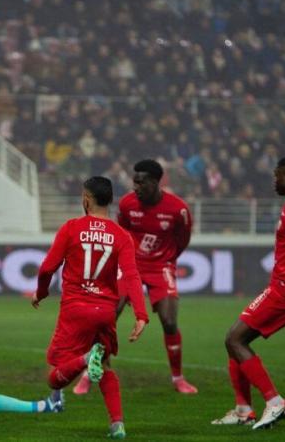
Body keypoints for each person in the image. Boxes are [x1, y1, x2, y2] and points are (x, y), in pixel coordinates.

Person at [32, 176, 148, 440]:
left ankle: (85, 360)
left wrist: (40, 293)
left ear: (86, 199)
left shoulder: (72, 227)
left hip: (75, 309)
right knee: (106, 364)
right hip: (105, 312)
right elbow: (132, 277)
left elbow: (47, 268)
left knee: (54, 378)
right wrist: (141, 315)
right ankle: (117, 425)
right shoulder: (121, 235)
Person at [212, 156, 285, 429]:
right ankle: (243, 409)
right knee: (235, 340)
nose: (274, 180)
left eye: (277, 175)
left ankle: (275, 403)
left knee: (234, 339)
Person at [76, 159, 195, 395]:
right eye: (134, 182)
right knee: (108, 314)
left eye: (141, 183)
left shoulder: (178, 209)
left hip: (161, 266)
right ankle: (90, 371)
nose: (135, 187)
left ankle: (178, 378)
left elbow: (182, 240)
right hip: (130, 264)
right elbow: (122, 231)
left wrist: (168, 259)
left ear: (155, 182)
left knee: (170, 321)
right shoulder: (128, 204)